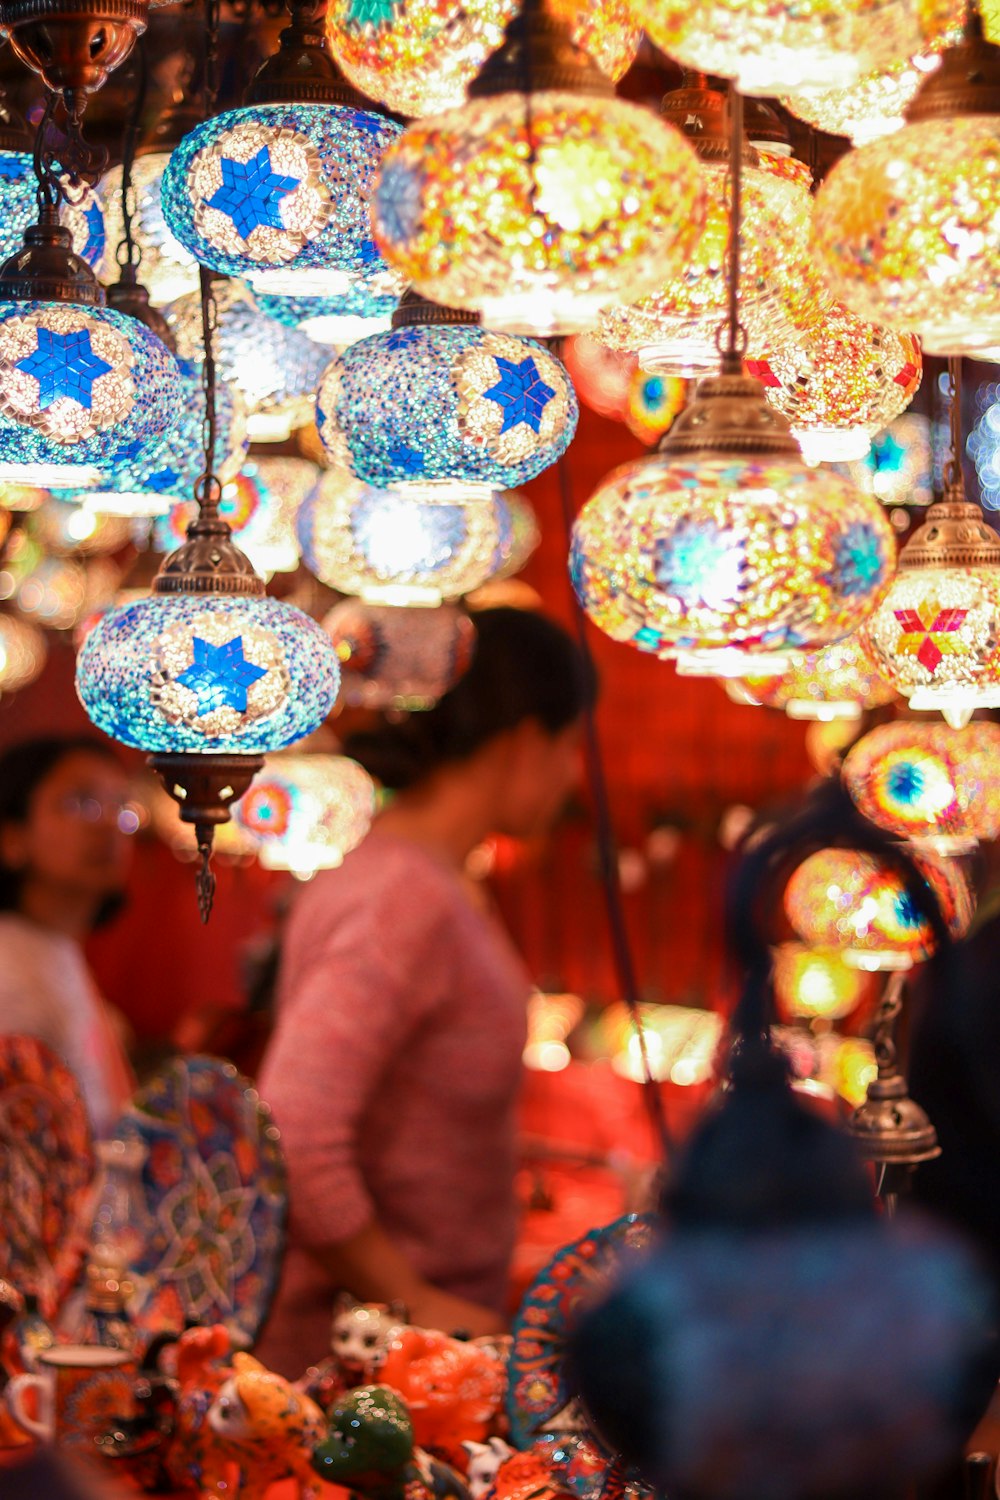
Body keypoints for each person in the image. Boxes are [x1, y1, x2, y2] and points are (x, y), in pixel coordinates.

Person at [255, 607, 593, 1377]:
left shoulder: (428, 878)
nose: (574, 776)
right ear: (524, 739)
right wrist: (410, 1300)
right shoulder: (401, 896)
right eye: (572, 746)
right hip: (359, 1374)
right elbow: (298, 1136)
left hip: (401, 1362)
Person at [0, 735, 136, 1137]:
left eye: (121, 807)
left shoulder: (55, 949)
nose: (109, 824)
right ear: (12, 837)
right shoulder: (11, 967)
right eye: (81, 803)